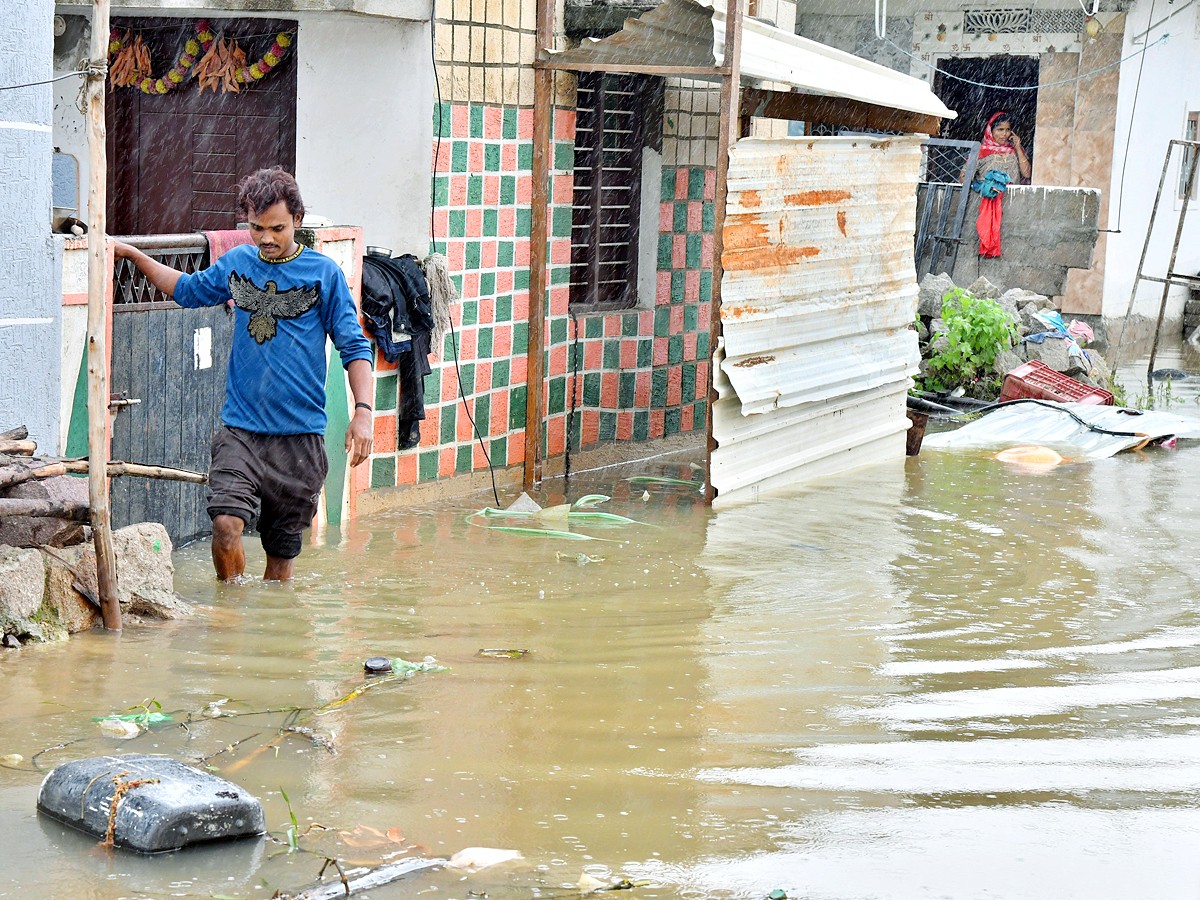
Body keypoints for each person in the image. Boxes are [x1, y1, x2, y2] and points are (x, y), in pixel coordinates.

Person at [113, 167, 374, 583]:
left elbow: (355, 347)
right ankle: (229, 614)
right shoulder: (237, 263)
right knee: (225, 527)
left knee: (279, 566)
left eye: (277, 228)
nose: (266, 239)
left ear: (298, 221)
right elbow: (185, 289)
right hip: (241, 433)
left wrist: (362, 412)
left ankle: (268, 639)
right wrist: (132, 254)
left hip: (300, 440)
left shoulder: (323, 275)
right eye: (256, 228)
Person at [973, 111, 1031, 258]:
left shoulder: (1014, 151)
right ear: (990, 131)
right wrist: (983, 186)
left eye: (1007, 130)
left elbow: (1027, 174)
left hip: (1012, 205)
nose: (1004, 134)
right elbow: (964, 177)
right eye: (1000, 130)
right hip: (987, 204)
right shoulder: (981, 151)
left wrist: (1018, 147)